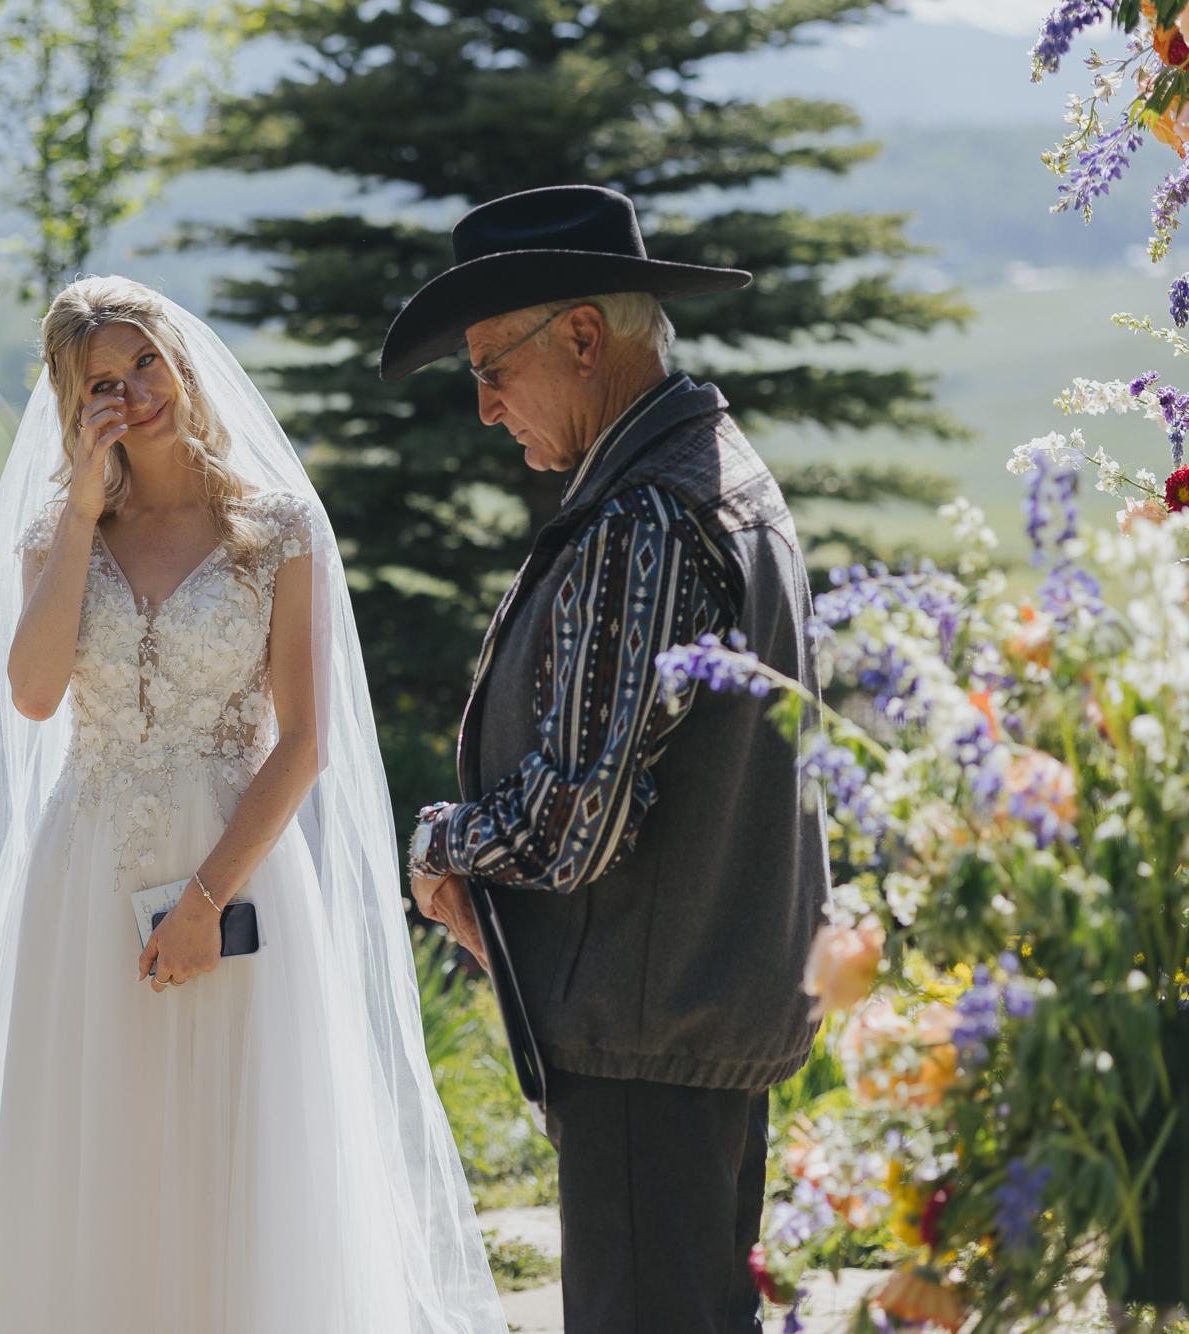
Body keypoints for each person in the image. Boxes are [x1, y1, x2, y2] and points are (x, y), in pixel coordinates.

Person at [0, 276, 506, 1334]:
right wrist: (79, 509)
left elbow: (302, 742)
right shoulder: (55, 530)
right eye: (101, 384)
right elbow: (32, 694)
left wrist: (207, 898)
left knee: (227, 1147)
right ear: (75, 407)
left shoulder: (275, 527)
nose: (132, 393)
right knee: (91, 1143)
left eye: (143, 364)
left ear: (181, 359)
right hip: (84, 877)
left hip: (237, 873)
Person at [382, 185, 830, 1334]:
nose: (482, 407)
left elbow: (571, 823)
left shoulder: (647, 514)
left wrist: (435, 843)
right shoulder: (721, 478)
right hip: (691, 1027)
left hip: (648, 1044)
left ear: (582, 337)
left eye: (491, 365)